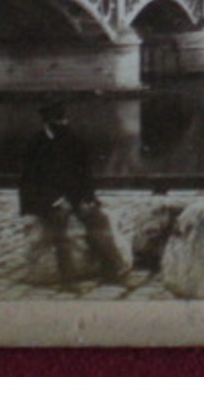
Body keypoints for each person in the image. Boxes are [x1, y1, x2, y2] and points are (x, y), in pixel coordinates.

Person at [19, 102, 127, 290]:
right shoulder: (34, 144)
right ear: (47, 122)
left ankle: (114, 267)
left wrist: (87, 199)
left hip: (73, 195)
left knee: (97, 219)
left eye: (64, 119)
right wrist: (55, 201)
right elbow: (31, 181)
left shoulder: (74, 140)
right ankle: (68, 278)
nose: (63, 123)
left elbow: (84, 175)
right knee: (60, 226)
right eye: (58, 120)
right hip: (46, 199)